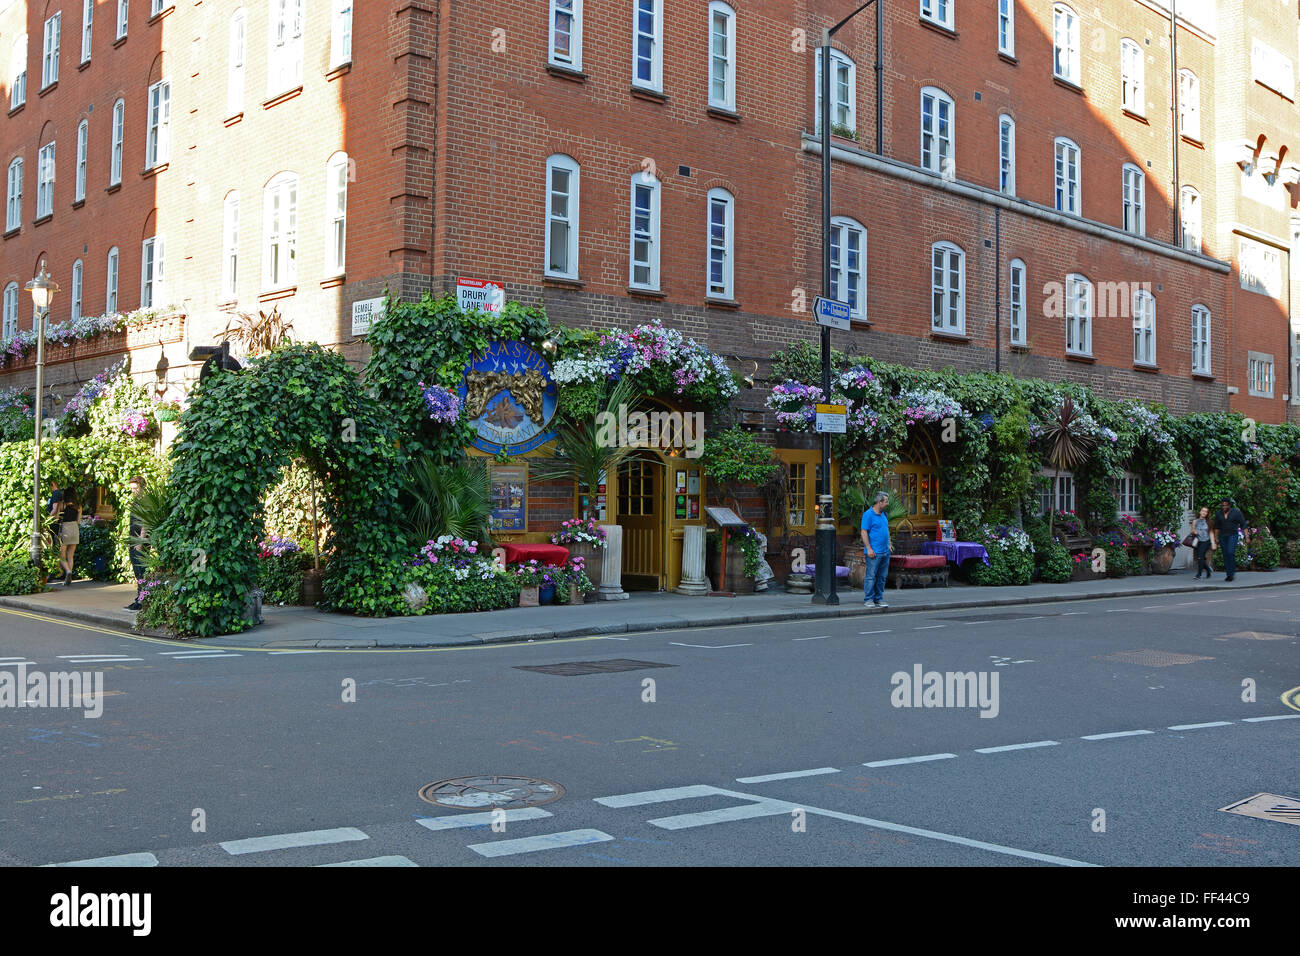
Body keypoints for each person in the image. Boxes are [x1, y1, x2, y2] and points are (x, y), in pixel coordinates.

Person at [860, 491, 892, 609]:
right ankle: (869, 599)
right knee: (871, 576)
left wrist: (889, 543)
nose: (887, 504)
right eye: (886, 502)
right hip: (874, 552)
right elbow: (864, 532)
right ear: (879, 502)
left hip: (885, 551)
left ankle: (879, 598)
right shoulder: (868, 515)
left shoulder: (884, 514)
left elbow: (886, 529)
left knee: (882, 577)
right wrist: (869, 548)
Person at [125, 476, 147, 610]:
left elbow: (145, 523)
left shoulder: (145, 502)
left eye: (135, 488)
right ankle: (139, 598)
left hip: (140, 541)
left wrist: (140, 540)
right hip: (133, 539)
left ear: (142, 487)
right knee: (137, 572)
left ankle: (142, 600)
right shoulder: (136, 502)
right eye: (131, 489)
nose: (133, 491)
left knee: (141, 572)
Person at [1213, 498, 1248, 582]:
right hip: (1222, 536)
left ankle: (1231, 572)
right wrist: (1216, 538)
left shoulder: (1236, 512)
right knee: (1225, 555)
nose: (1224, 507)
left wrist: (1247, 536)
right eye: (1222, 505)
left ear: (1229, 505)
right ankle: (1229, 574)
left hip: (1232, 535)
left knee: (1230, 552)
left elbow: (1243, 524)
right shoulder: (1219, 514)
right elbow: (1216, 527)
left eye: (1225, 505)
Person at [56, 488, 81, 586]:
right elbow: (79, 521)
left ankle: (68, 572)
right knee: (70, 555)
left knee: (61, 555)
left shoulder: (62, 504)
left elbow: (57, 518)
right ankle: (68, 577)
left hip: (65, 528)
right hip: (74, 528)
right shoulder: (78, 506)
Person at [1192, 505, 1215, 579]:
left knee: (1200, 557)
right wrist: (1194, 532)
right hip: (1198, 541)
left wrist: (1213, 542)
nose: (1204, 513)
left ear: (1207, 513)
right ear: (1200, 512)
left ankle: (1199, 574)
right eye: (1203, 511)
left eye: (1206, 512)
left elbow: (1211, 533)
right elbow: (1192, 530)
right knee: (1200, 558)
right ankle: (1208, 569)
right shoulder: (1195, 521)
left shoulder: (1209, 522)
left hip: (1206, 541)